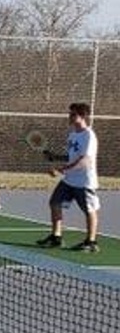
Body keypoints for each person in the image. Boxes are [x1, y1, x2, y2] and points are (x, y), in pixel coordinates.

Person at [37, 102, 100, 253]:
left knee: (89, 210)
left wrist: (61, 170)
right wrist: (55, 156)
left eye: (73, 114)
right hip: (69, 180)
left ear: (82, 116)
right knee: (55, 203)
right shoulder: (72, 135)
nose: (69, 117)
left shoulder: (88, 136)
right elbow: (72, 156)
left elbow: (85, 161)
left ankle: (91, 242)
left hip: (84, 182)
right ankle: (56, 237)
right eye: (69, 114)